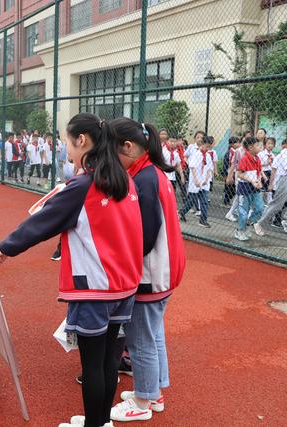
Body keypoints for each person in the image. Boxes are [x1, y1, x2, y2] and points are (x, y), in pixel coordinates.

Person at [0, 113, 143, 427]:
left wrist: (5, 248)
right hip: (124, 286)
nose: (65, 149)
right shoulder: (123, 179)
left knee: (92, 367)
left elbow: (41, 223)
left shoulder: (83, 185)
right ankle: (101, 423)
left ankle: (94, 424)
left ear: (82, 141)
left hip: (95, 288)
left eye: (67, 142)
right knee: (108, 363)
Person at [109, 118, 185, 423]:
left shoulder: (144, 179)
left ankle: (142, 401)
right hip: (163, 271)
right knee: (154, 336)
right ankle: (153, 393)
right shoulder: (151, 172)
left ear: (127, 147)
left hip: (152, 274)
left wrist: (121, 258)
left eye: (112, 150)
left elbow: (146, 232)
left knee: (141, 340)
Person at [178, 137, 214, 227]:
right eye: (206, 146)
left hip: (204, 182)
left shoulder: (208, 156)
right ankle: (181, 213)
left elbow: (209, 169)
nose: (207, 149)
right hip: (195, 181)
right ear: (202, 144)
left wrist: (206, 179)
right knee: (191, 200)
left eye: (209, 147)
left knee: (204, 201)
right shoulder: (197, 154)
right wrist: (196, 180)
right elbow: (193, 167)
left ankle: (203, 220)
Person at [235, 136, 265, 241]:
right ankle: (240, 231)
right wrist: (251, 181)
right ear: (250, 147)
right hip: (245, 187)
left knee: (260, 208)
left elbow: (259, 172)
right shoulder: (245, 159)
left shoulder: (257, 158)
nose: (260, 147)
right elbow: (239, 173)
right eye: (257, 145)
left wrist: (259, 181)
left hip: (255, 186)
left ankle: (248, 223)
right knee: (243, 210)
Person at [255, 139, 287, 235]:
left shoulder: (279, 154)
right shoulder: (284, 153)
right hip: (284, 179)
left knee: (278, 204)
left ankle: (285, 221)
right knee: (277, 204)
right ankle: (259, 223)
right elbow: (275, 169)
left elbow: (273, 168)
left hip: (281, 179)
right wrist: (271, 184)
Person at [222, 137, 240, 206]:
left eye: (239, 142)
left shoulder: (238, 152)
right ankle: (226, 200)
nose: (238, 144)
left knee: (233, 188)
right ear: (232, 144)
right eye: (237, 143)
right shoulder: (229, 153)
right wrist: (225, 175)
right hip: (229, 172)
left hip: (236, 172)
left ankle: (229, 199)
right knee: (228, 187)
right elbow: (225, 164)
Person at [258, 137, 276, 203]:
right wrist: (266, 163)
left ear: (274, 146)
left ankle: (269, 201)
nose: (270, 145)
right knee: (262, 189)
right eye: (268, 143)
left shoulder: (273, 155)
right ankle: (260, 202)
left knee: (269, 188)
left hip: (270, 173)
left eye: (272, 144)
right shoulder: (261, 154)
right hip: (263, 172)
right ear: (265, 145)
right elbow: (258, 164)